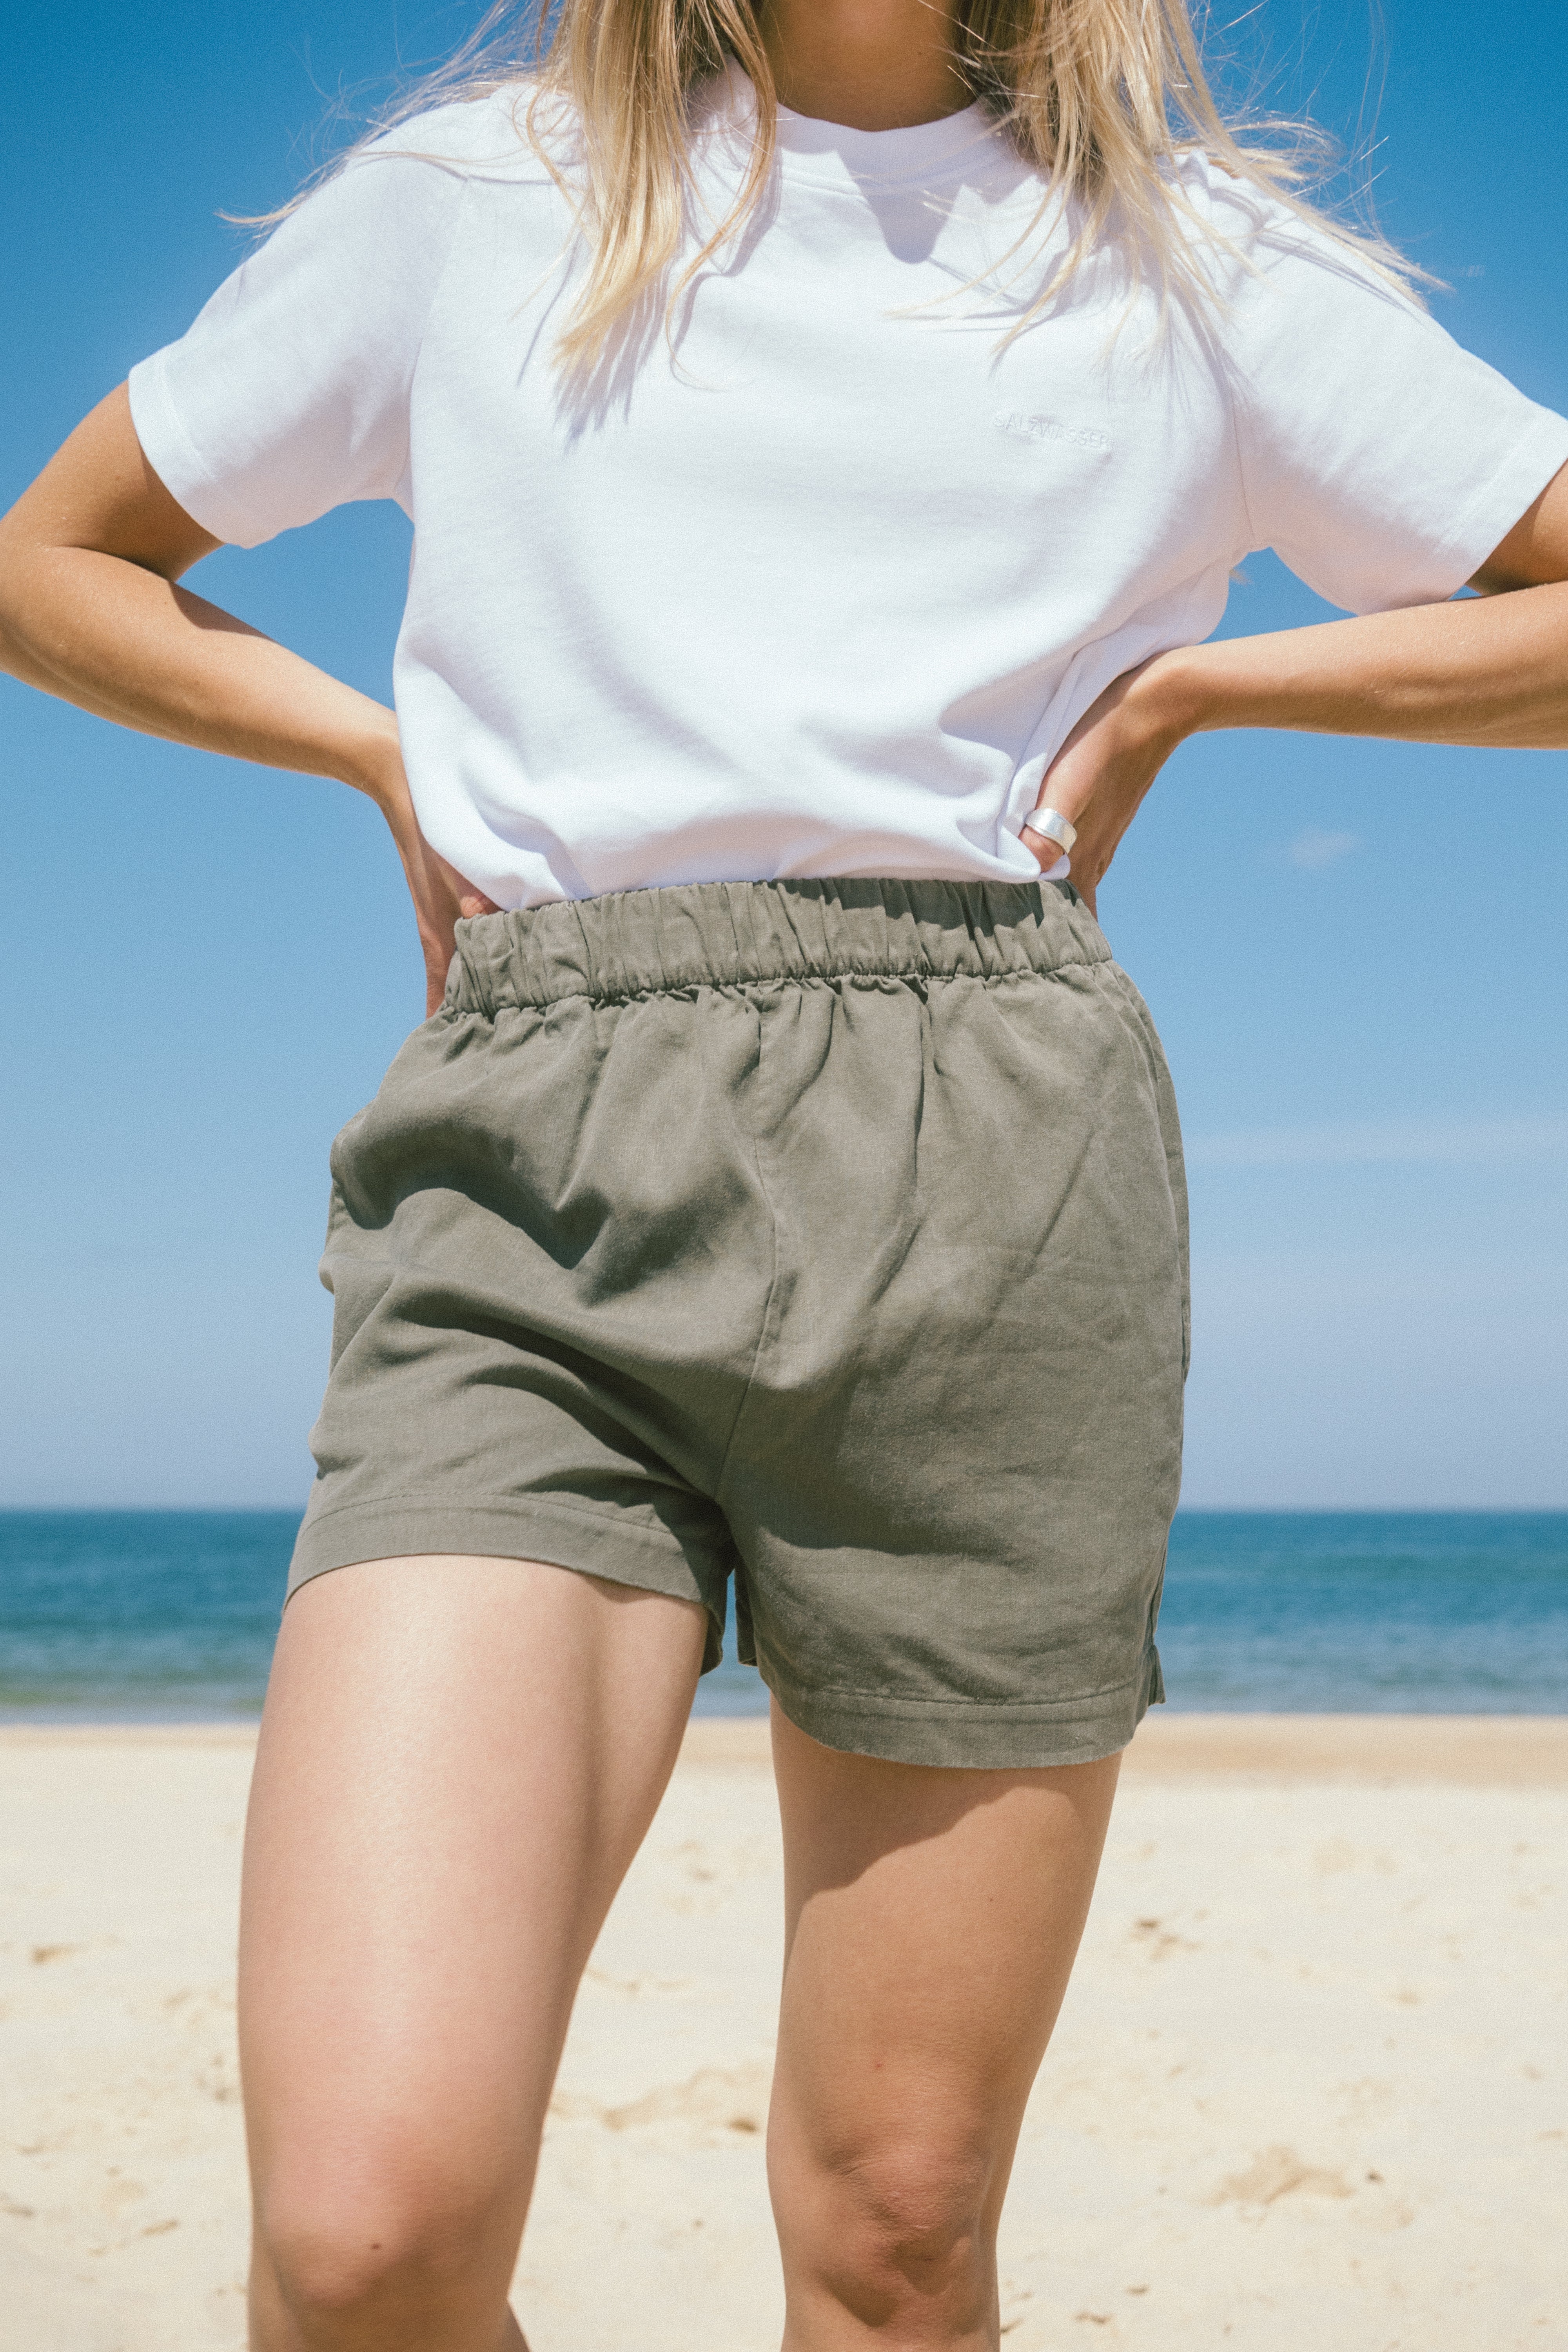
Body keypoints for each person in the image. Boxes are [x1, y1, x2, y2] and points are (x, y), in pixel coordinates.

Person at [2, 0, 1565, 2341]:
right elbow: (56, 562)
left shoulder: (1186, 256)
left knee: (893, 2230)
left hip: (1001, 1179)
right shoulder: (472, 201)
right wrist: (377, 753)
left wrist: (1204, 690)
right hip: (531, 1168)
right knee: (365, 2237)